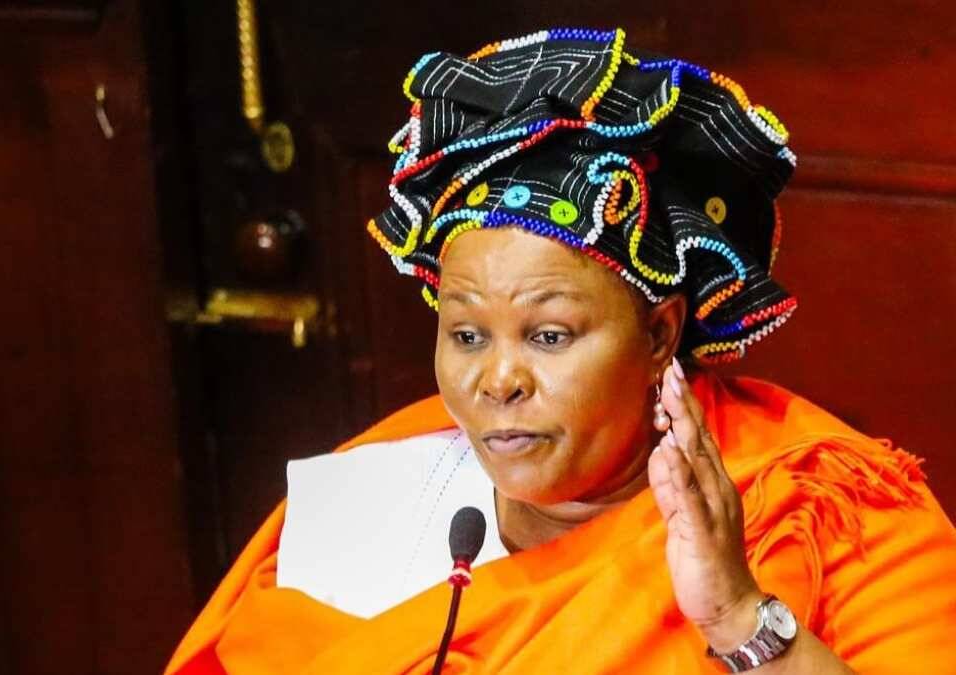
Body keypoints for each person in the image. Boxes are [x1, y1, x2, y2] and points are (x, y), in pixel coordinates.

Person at [165, 27, 956, 673]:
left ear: (659, 334)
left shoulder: (825, 507)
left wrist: (738, 617)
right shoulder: (369, 500)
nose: (498, 380)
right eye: (467, 334)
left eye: (548, 335)